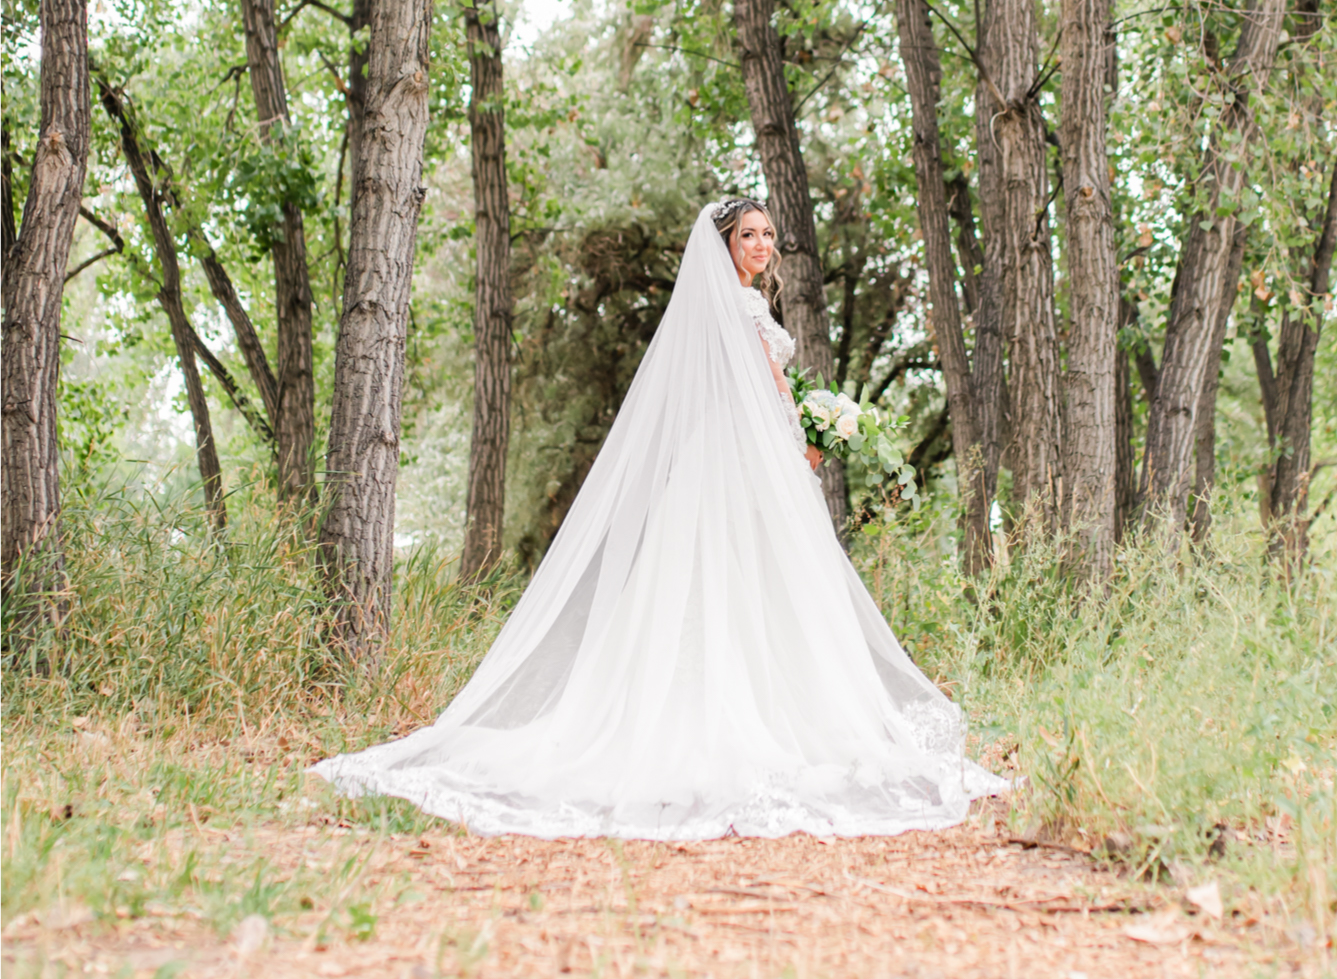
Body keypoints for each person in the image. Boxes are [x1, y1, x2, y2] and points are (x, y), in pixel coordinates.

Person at [312, 197, 1005, 839]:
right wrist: (803, 444)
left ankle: (740, 702)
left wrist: (805, 438)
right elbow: (768, 395)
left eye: (767, 235)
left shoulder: (730, 306)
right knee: (750, 578)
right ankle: (734, 716)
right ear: (724, 244)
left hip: (724, 455)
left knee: (735, 580)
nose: (761, 245)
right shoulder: (739, 310)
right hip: (744, 458)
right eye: (748, 235)